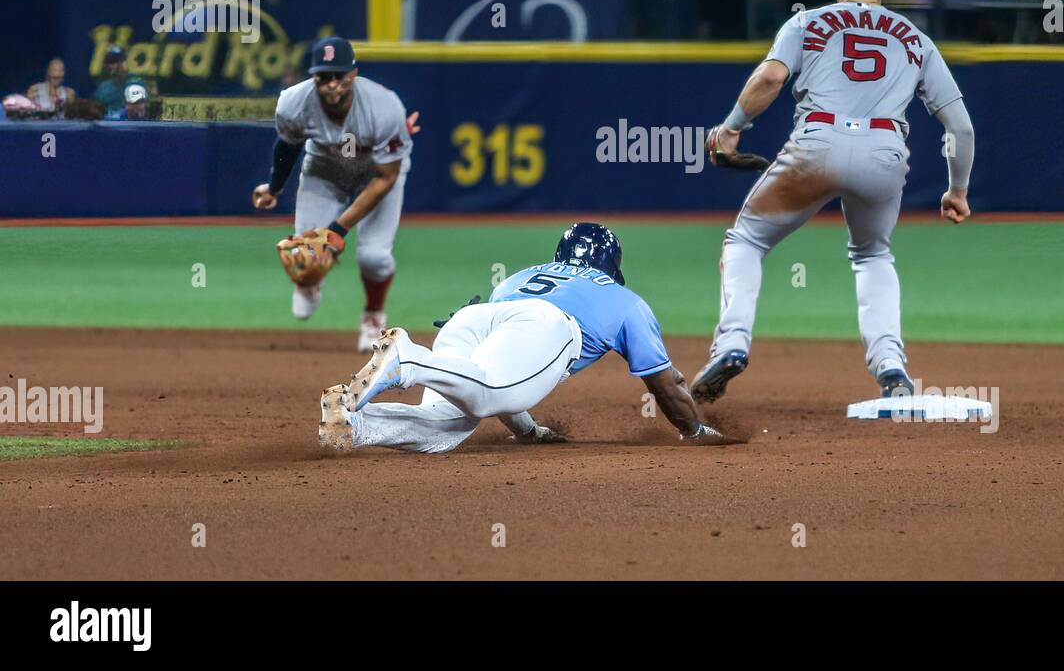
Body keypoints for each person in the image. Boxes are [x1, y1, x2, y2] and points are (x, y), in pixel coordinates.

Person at [691, 0, 975, 403]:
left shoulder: (807, 21)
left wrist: (731, 128)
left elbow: (770, 78)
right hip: (884, 154)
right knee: (873, 256)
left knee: (746, 241)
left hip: (817, 144)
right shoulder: (916, 39)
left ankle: (733, 345)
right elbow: (960, 125)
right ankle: (892, 370)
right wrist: (957, 189)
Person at [318, 222, 720, 454]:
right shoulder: (625, 300)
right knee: (489, 391)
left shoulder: (519, 277)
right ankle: (408, 359)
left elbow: (505, 373)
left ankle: (355, 423)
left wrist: (527, 431)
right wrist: (695, 431)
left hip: (473, 318)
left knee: (447, 427)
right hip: (549, 324)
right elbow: (666, 388)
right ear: (612, 266)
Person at [251, 37, 418, 353]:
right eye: (323, 77)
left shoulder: (384, 106)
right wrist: (274, 187)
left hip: (376, 175)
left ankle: (373, 315)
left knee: (374, 256)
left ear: (353, 74)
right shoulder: (293, 102)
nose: (331, 85)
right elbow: (288, 146)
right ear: (313, 76)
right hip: (325, 169)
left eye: (338, 76)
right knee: (305, 249)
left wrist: (336, 231)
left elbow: (386, 179)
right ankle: (310, 283)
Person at [93, 44, 140, 115]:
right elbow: (97, 111)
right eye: (113, 62)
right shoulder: (102, 88)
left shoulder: (137, 82)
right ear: (107, 66)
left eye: (121, 60)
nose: (118, 64)